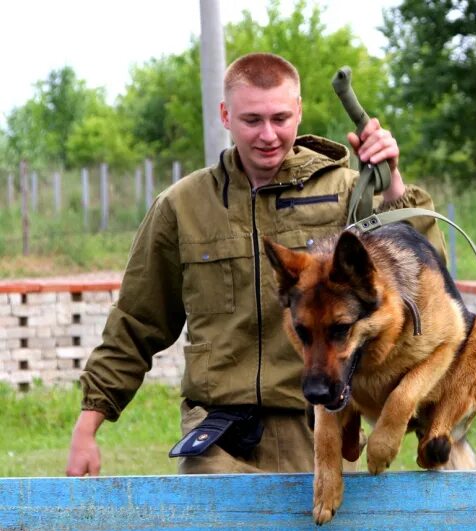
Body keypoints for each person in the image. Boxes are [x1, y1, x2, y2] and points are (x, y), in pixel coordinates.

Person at [65, 52, 446, 476]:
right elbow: (137, 321)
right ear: (225, 115)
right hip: (218, 437)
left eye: (281, 118)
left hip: (320, 428)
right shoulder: (183, 206)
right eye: (252, 120)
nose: (268, 134)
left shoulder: (349, 194)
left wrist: (392, 185)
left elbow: (430, 285)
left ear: (299, 111)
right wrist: (88, 424)